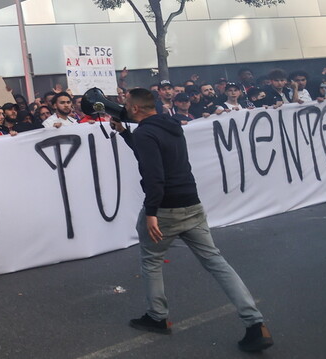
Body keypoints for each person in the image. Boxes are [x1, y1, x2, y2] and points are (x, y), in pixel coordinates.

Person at [111, 88, 273, 352]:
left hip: (165, 208)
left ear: (136, 109)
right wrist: (125, 134)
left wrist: (151, 212)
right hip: (192, 203)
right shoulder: (172, 125)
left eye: (127, 104)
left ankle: (157, 316)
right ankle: (255, 322)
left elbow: (154, 175)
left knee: (151, 261)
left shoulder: (144, 133)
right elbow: (154, 154)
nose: (124, 107)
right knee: (216, 262)